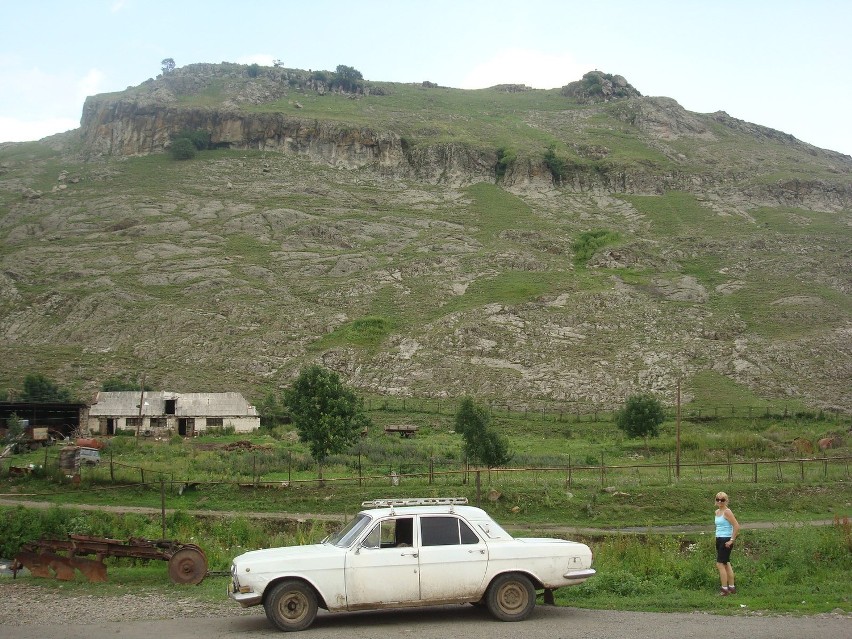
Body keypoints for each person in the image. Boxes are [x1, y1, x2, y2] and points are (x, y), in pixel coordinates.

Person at [714, 491, 740, 595]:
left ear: (726, 501)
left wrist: (731, 540)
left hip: (726, 540)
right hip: (719, 539)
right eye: (718, 499)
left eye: (722, 500)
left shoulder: (727, 512)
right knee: (726, 563)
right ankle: (732, 587)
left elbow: (736, 526)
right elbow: (719, 526)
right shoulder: (717, 512)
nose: (720, 501)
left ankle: (724, 589)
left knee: (720, 564)